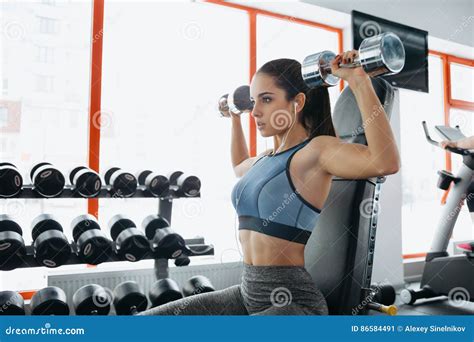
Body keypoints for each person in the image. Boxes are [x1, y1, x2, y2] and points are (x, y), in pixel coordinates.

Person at [139, 50, 400, 316]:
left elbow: (385, 163)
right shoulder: (266, 159)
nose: (255, 111)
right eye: (253, 102)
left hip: (294, 303)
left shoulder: (315, 151)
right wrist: (234, 119)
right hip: (248, 292)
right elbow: (239, 165)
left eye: (266, 99)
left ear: (297, 102)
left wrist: (358, 80)